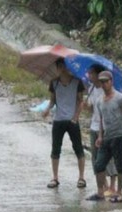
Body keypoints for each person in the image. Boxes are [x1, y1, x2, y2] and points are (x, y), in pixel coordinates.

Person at [42, 58, 86, 189]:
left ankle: (81, 177)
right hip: (58, 119)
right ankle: (55, 178)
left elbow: (81, 101)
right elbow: (52, 100)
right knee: (55, 149)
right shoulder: (54, 83)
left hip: (72, 120)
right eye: (60, 67)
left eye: (64, 66)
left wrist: (76, 117)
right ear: (57, 68)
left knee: (78, 148)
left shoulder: (77, 82)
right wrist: (47, 109)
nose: (62, 69)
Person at [86, 70, 122, 202]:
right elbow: (101, 120)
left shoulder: (120, 98)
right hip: (106, 136)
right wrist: (100, 136)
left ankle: (119, 192)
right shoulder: (99, 101)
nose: (104, 84)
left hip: (119, 135)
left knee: (120, 164)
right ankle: (100, 192)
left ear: (111, 82)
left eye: (106, 81)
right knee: (99, 164)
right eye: (102, 82)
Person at [85, 64, 117, 197]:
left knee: (108, 158)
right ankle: (104, 186)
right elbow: (93, 110)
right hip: (94, 126)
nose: (89, 76)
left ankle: (113, 186)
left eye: (91, 73)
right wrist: (86, 107)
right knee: (95, 159)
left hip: (106, 128)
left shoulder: (107, 90)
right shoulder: (91, 89)